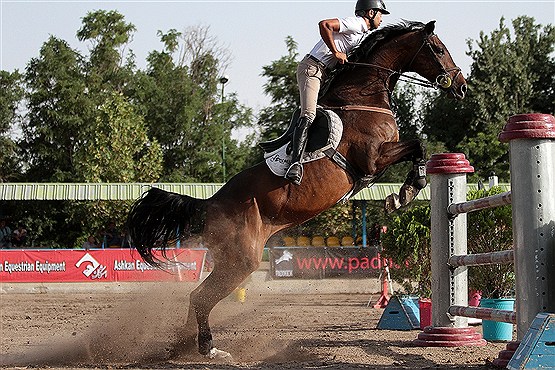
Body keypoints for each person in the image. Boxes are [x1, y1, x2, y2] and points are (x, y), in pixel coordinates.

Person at [285, 0, 389, 185]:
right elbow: (324, 24)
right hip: (313, 69)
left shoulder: (361, 33)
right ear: (371, 13)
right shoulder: (356, 23)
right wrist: (335, 52)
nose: (381, 19)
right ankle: (295, 163)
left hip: (324, 73)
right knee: (309, 114)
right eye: (380, 14)